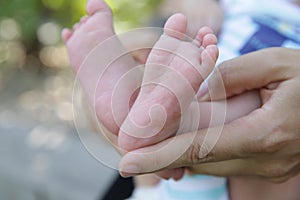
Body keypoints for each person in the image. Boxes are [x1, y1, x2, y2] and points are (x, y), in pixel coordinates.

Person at [62, 0, 300, 200]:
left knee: (269, 112)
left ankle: (147, 111)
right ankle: (144, 104)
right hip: (201, 99)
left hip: (264, 141)